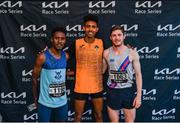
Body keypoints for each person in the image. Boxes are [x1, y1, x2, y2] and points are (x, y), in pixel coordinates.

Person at [67, 14, 104, 122]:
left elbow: (112, 55)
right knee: (78, 116)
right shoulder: (76, 43)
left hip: (97, 86)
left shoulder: (101, 43)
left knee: (99, 115)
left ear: (97, 29)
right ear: (83, 28)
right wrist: (47, 55)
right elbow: (63, 57)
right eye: (88, 26)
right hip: (80, 86)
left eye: (93, 27)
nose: (90, 29)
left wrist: (128, 51)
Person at [103, 25, 142, 122]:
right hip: (112, 91)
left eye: (119, 35)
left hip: (127, 91)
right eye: (114, 35)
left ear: (124, 36)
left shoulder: (132, 53)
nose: (117, 38)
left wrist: (139, 96)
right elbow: (101, 71)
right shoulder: (106, 53)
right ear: (110, 37)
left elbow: (138, 75)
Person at [32, 27, 69, 122]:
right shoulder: (42, 57)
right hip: (45, 103)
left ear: (65, 40)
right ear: (52, 39)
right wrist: (36, 98)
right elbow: (34, 79)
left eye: (62, 39)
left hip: (62, 103)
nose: (59, 41)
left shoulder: (66, 56)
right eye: (57, 38)